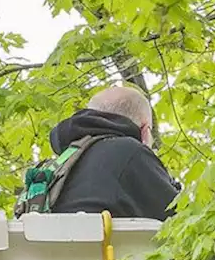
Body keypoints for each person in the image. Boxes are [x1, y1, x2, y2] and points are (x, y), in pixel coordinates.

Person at [15, 85, 178, 220]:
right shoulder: (130, 152)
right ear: (144, 130)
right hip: (104, 257)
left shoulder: (57, 168)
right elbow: (180, 220)